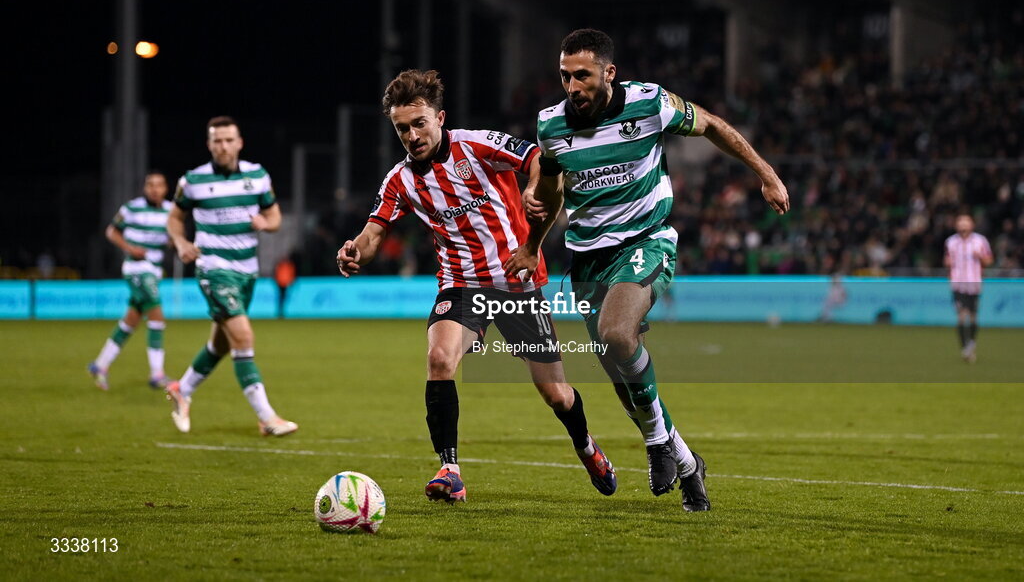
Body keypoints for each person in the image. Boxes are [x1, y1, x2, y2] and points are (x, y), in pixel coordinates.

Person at [518, 28, 790, 512]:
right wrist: (532, 244)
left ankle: (657, 445)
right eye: (565, 76)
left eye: (582, 75)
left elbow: (711, 125)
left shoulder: (650, 104)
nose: (572, 86)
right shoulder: (551, 126)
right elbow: (554, 194)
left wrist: (766, 174)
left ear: (609, 72)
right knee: (625, 383)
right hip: (587, 259)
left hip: (646, 240)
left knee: (618, 334)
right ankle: (687, 464)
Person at [336, 69, 616, 503]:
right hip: (461, 285)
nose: (411, 135)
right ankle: (450, 470)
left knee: (556, 395)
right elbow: (373, 234)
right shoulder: (400, 181)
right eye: (402, 128)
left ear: (440, 117)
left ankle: (586, 446)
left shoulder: (477, 145)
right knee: (439, 358)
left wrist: (532, 189)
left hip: (516, 284)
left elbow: (538, 158)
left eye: (419, 123)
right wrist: (355, 248)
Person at [164, 116, 297, 437]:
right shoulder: (193, 181)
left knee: (221, 344)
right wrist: (182, 243)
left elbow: (275, 214)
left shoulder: (257, 175)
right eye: (217, 141)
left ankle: (182, 389)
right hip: (213, 269)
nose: (223, 146)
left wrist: (267, 223)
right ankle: (267, 417)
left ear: (239, 143)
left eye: (228, 140)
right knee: (243, 337)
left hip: (247, 272)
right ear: (209, 145)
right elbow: (174, 218)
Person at [88, 171, 173, 390]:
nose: (155, 189)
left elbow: (172, 239)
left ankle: (100, 365)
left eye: (159, 185)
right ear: (145, 188)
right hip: (137, 269)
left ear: (165, 189)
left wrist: (176, 243)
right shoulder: (131, 208)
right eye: (150, 185)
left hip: (154, 270)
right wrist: (129, 248)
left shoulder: (170, 211)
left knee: (130, 322)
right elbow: (111, 231)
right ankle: (157, 374)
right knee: (157, 315)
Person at [944, 213, 993, 363]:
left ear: (972, 225)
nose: (963, 225)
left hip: (974, 283)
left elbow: (989, 260)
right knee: (961, 317)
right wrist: (948, 263)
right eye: (961, 223)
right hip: (958, 283)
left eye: (966, 222)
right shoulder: (950, 242)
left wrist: (980, 257)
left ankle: (971, 343)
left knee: (972, 317)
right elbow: (946, 261)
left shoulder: (980, 241)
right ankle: (965, 347)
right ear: (957, 225)